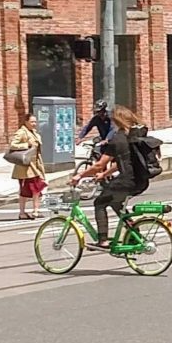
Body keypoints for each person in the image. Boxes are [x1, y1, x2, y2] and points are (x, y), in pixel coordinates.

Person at [70, 105, 143, 250]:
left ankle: (102, 240)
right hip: (140, 180)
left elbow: (99, 164)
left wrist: (79, 175)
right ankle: (135, 235)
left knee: (100, 203)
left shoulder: (117, 140)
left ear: (116, 121)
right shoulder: (135, 136)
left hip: (126, 180)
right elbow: (123, 162)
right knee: (117, 204)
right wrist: (104, 174)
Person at [9, 113, 46, 220]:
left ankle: (36, 210)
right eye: (32, 122)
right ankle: (22, 212)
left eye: (35, 122)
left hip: (35, 165)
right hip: (25, 167)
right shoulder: (21, 132)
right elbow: (13, 145)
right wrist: (26, 145)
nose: (34, 124)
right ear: (26, 122)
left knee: (37, 188)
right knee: (26, 189)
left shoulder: (33, 132)